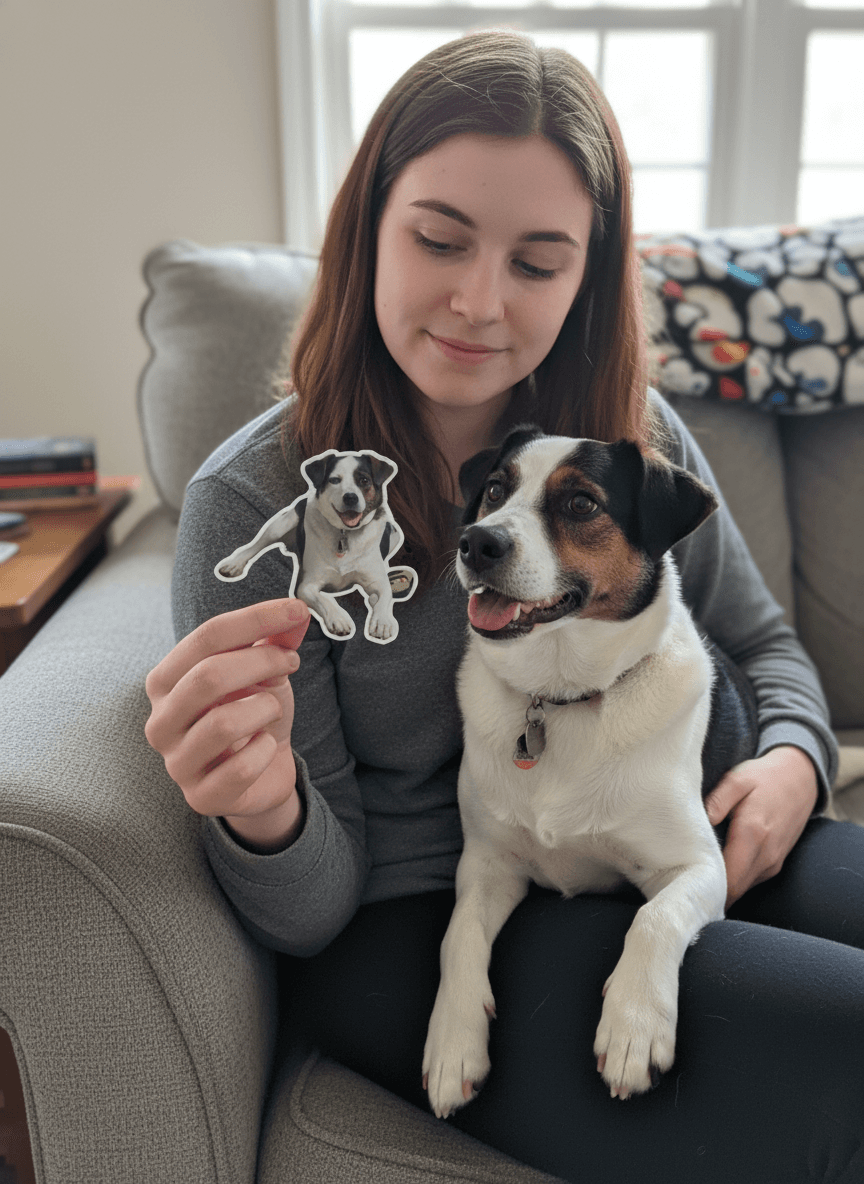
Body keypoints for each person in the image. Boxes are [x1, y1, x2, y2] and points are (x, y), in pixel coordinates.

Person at [144, 29, 864, 1183]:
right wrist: (262, 809)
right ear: (367, 227)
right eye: (438, 239)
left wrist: (790, 759)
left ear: (589, 271)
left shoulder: (628, 443)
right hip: (417, 916)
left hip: (667, 824)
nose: (479, 302)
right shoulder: (258, 503)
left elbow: (765, 643)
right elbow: (309, 916)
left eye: (537, 262)